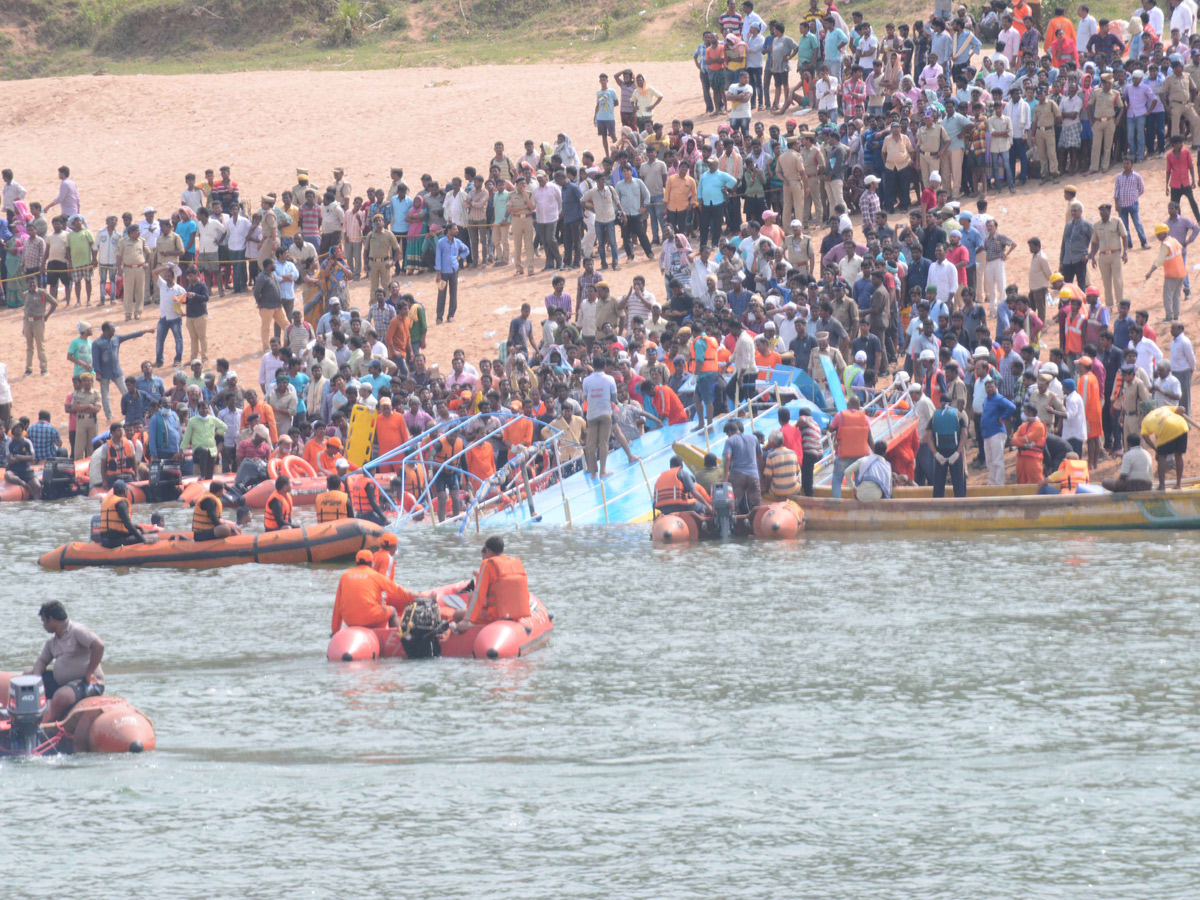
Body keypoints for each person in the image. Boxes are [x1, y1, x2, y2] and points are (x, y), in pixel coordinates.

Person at [25, 601, 104, 725]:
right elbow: (42, 661)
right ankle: (28, 720)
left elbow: (99, 646)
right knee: (26, 679)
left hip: (87, 683)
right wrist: (36, 680)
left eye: (43, 621)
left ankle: (49, 727)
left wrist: (89, 673)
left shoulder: (78, 631)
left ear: (51, 619)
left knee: (61, 696)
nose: (43, 625)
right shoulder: (52, 641)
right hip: (63, 683)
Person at [450, 535, 531, 632]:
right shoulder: (515, 563)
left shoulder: (488, 565)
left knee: (457, 614)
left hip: (495, 616)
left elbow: (479, 594)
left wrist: (467, 620)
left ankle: (455, 632)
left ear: (488, 551)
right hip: (516, 615)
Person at [331, 550, 415, 635]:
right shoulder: (375, 575)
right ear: (371, 564)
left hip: (350, 620)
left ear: (356, 562)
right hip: (370, 617)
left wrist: (335, 630)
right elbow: (397, 590)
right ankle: (397, 640)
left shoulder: (344, 576)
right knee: (392, 611)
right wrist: (417, 597)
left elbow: (337, 605)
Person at [829, 393, 870, 498]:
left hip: (844, 455)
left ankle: (837, 504)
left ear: (848, 405)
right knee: (859, 480)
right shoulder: (865, 418)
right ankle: (860, 502)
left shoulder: (840, 415)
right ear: (858, 406)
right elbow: (869, 437)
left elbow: (831, 429)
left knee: (837, 480)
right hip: (861, 456)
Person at [928, 390, 969, 497]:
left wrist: (937, 454)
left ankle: (942, 507)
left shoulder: (935, 416)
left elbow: (928, 438)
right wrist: (956, 452)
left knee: (943, 483)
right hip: (949, 452)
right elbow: (964, 435)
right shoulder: (957, 415)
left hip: (946, 452)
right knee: (954, 482)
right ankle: (958, 505)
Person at [1141, 404, 1191, 490]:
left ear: (1143, 413)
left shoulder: (1145, 420)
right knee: (1178, 455)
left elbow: (1145, 437)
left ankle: (1162, 486)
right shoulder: (1164, 408)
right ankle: (1178, 484)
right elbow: (1182, 409)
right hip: (1182, 425)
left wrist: (1155, 449)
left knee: (1161, 457)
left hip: (1166, 428)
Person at [722, 418, 763, 514]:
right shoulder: (754, 438)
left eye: (727, 434)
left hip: (737, 475)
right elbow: (760, 456)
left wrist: (725, 478)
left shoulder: (730, 441)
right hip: (753, 475)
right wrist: (760, 474)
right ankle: (757, 524)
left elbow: (727, 458)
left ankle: (734, 526)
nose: (728, 436)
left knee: (733, 505)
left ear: (730, 432)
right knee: (756, 504)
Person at [981, 378, 1017, 485]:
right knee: (989, 460)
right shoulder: (986, 399)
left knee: (997, 460)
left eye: (992, 386)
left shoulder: (999, 398)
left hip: (997, 432)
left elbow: (1012, 407)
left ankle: (999, 483)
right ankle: (992, 483)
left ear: (996, 387)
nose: (990, 389)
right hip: (987, 433)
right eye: (988, 387)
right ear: (985, 389)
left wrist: (1003, 417)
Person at [98, 480, 153, 548]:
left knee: (138, 533)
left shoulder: (106, 501)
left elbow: (121, 523)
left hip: (105, 540)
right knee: (150, 537)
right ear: (124, 491)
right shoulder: (121, 503)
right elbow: (127, 524)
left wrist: (138, 527)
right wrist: (143, 539)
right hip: (115, 541)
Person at [3, 421, 41, 499]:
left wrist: (18, 457)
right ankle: (24, 484)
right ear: (13, 430)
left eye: (20, 427)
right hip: (14, 469)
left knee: (38, 487)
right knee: (8, 475)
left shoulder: (27, 442)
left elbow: (32, 457)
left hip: (26, 470)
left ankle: (36, 503)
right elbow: (10, 460)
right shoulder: (9, 443)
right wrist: (25, 458)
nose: (18, 429)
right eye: (16, 428)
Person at [762, 431, 803, 502]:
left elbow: (768, 477)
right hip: (793, 489)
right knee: (798, 489)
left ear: (772, 443)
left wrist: (765, 490)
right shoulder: (793, 453)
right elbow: (797, 472)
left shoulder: (771, 456)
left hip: (777, 491)